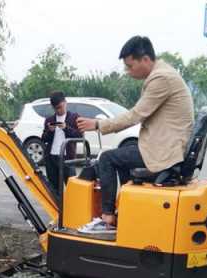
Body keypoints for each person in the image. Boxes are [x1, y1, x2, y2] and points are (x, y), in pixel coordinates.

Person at [77, 36, 194, 234]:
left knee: (106, 158)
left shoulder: (161, 78)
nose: (128, 71)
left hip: (163, 152)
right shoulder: (164, 74)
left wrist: (97, 124)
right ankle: (126, 214)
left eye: (130, 66)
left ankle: (106, 219)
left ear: (145, 59)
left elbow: (135, 115)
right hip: (165, 148)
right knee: (123, 159)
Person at [42, 91, 82, 194]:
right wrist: (50, 131)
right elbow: (44, 139)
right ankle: (57, 209)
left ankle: (71, 209)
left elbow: (80, 136)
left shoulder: (75, 117)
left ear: (65, 102)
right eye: (56, 108)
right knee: (54, 189)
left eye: (60, 107)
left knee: (71, 188)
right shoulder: (49, 119)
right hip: (52, 157)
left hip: (67, 158)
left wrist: (66, 128)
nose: (59, 110)